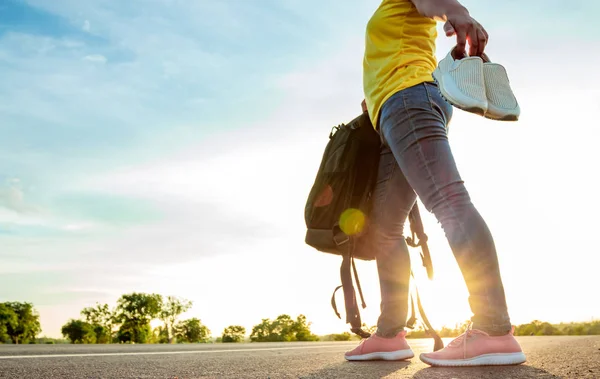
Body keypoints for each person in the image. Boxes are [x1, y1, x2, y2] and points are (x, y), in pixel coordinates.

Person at [344, 0, 526, 366]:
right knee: (385, 230)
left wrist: (457, 14)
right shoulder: (388, 9)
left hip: (409, 99)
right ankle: (389, 335)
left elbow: (434, 3)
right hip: (393, 108)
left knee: (449, 202)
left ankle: (493, 330)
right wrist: (374, 98)